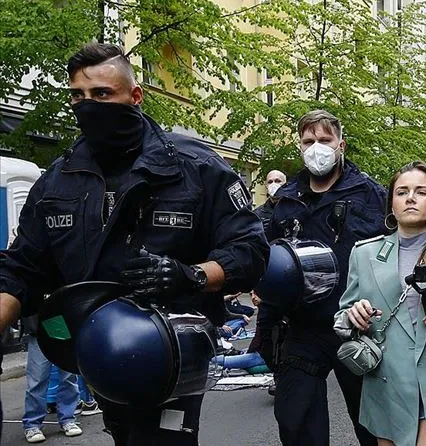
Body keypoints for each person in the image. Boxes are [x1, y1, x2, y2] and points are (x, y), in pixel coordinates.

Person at [0, 43, 269, 446]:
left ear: (135, 95)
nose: (88, 105)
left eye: (102, 94)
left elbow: (250, 250)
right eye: (78, 95)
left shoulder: (196, 167)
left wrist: (190, 276)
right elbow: (21, 266)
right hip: (97, 350)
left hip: (173, 348)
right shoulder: (59, 178)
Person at [260, 109, 386, 446]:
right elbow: (262, 251)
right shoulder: (285, 198)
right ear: (300, 147)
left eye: (324, 140)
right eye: (309, 141)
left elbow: (396, 252)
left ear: (340, 144)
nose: (316, 147)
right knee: (295, 422)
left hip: (359, 326)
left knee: (375, 426)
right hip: (302, 328)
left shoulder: (371, 195)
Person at [334, 161, 426, 446]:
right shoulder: (364, 254)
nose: (410, 198)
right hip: (387, 385)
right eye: (402, 192)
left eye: (420, 192)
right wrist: (354, 316)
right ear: (391, 204)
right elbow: (342, 317)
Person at [22, 332, 83, 443]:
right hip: (40, 328)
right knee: (38, 379)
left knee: (68, 377)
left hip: (63, 327)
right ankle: (32, 424)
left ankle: (67, 419)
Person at [254, 170, 287, 235]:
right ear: (266, 186)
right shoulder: (257, 215)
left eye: (278, 181)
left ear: (285, 184)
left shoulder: (296, 208)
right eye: (270, 182)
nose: (273, 184)